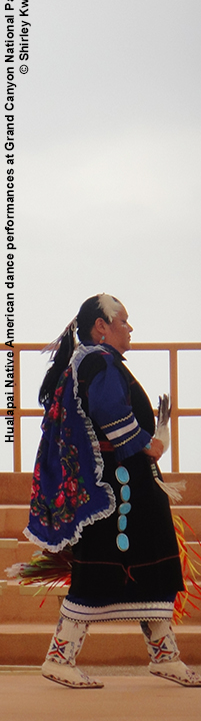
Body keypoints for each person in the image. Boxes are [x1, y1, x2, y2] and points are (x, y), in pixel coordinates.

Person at [24, 293, 201, 687]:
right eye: (124, 321)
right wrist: (149, 445)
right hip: (117, 490)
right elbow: (107, 411)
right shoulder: (98, 361)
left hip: (124, 484)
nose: (130, 328)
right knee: (100, 571)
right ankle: (59, 657)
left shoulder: (89, 362)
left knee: (151, 567)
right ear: (101, 326)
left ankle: (164, 654)